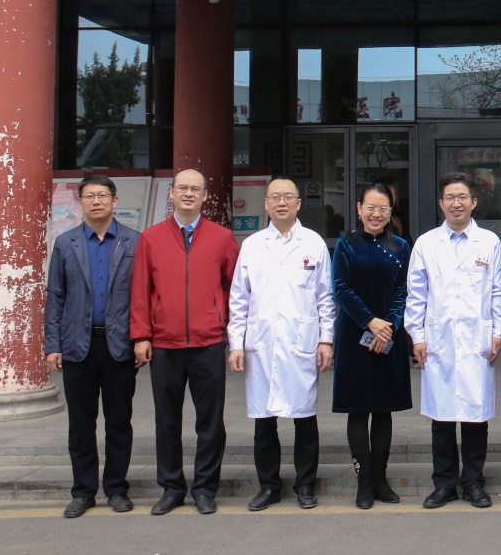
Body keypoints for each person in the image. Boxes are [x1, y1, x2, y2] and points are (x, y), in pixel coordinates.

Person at [130, 168, 239, 516]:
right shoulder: (151, 238)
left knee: (210, 421)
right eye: (182, 188)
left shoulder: (222, 237)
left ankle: (205, 488)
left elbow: (233, 286)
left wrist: (219, 316)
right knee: (166, 420)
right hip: (165, 343)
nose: (188, 194)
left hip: (208, 342)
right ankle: (172, 488)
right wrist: (141, 335)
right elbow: (141, 290)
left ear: (205, 195)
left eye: (195, 189)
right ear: (171, 193)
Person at [227, 177, 336, 511]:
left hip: (302, 343)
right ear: (266, 203)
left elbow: (325, 297)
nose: (282, 202)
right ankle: (268, 486)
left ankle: (305, 485)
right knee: (264, 421)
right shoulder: (253, 245)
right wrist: (236, 343)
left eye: (288, 197)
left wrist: (326, 339)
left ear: (299, 203)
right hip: (261, 344)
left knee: (305, 419)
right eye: (275, 197)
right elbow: (239, 298)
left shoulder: (313, 243)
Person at [406, 173, 501, 509]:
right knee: (442, 417)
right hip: (439, 340)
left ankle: (474, 482)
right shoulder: (426, 243)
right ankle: (444, 484)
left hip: (477, 338)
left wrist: (498, 331)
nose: (456, 203)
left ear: (474, 202)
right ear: (441, 203)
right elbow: (416, 294)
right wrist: (417, 335)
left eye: (462, 197)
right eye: (450, 197)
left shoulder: (489, 242)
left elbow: (498, 290)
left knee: (476, 416)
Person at [44, 175, 141, 518]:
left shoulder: (134, 242)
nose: (96, 201)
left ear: (115, 201)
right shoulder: (65, 243)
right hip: (76, 345)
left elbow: (143, 296)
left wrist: (142, 338)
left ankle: (116, 488)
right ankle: (83, 491)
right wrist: (52, 344)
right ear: (81, 202)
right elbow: (56, 296)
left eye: (102, 195)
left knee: (119, 421)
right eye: (89, 196)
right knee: (81, 424)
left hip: (119, 345)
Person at [332, 182, 413, 509]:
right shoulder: (346, 246)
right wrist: (370, 322)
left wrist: (389, 326)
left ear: (390, 212)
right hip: (355, 336)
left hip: (388, 338)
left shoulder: (401, 247)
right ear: (359, 209)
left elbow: (404, 290)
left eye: (383, 208)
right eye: (370, 207)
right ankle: (363, 481)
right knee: (357, 409)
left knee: (383, 409)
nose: (376, 214)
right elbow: (341, 288)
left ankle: (380, 478)